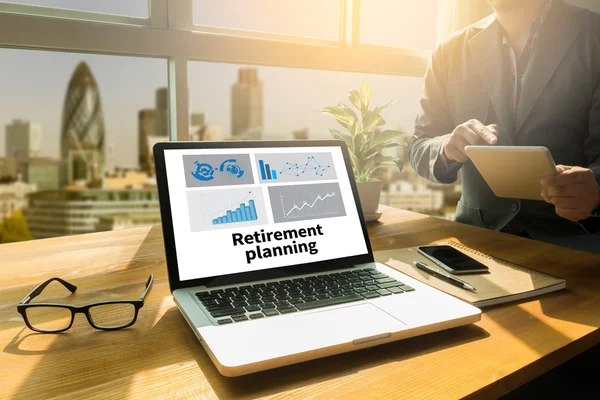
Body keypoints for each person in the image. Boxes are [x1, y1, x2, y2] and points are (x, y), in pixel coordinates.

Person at [408, 0, 600, 252]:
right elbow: (419, 146)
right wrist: (446, 147)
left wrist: (595, 188)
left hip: (575, 246)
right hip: (475, 244)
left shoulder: (593, 35)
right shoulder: (449, 51)